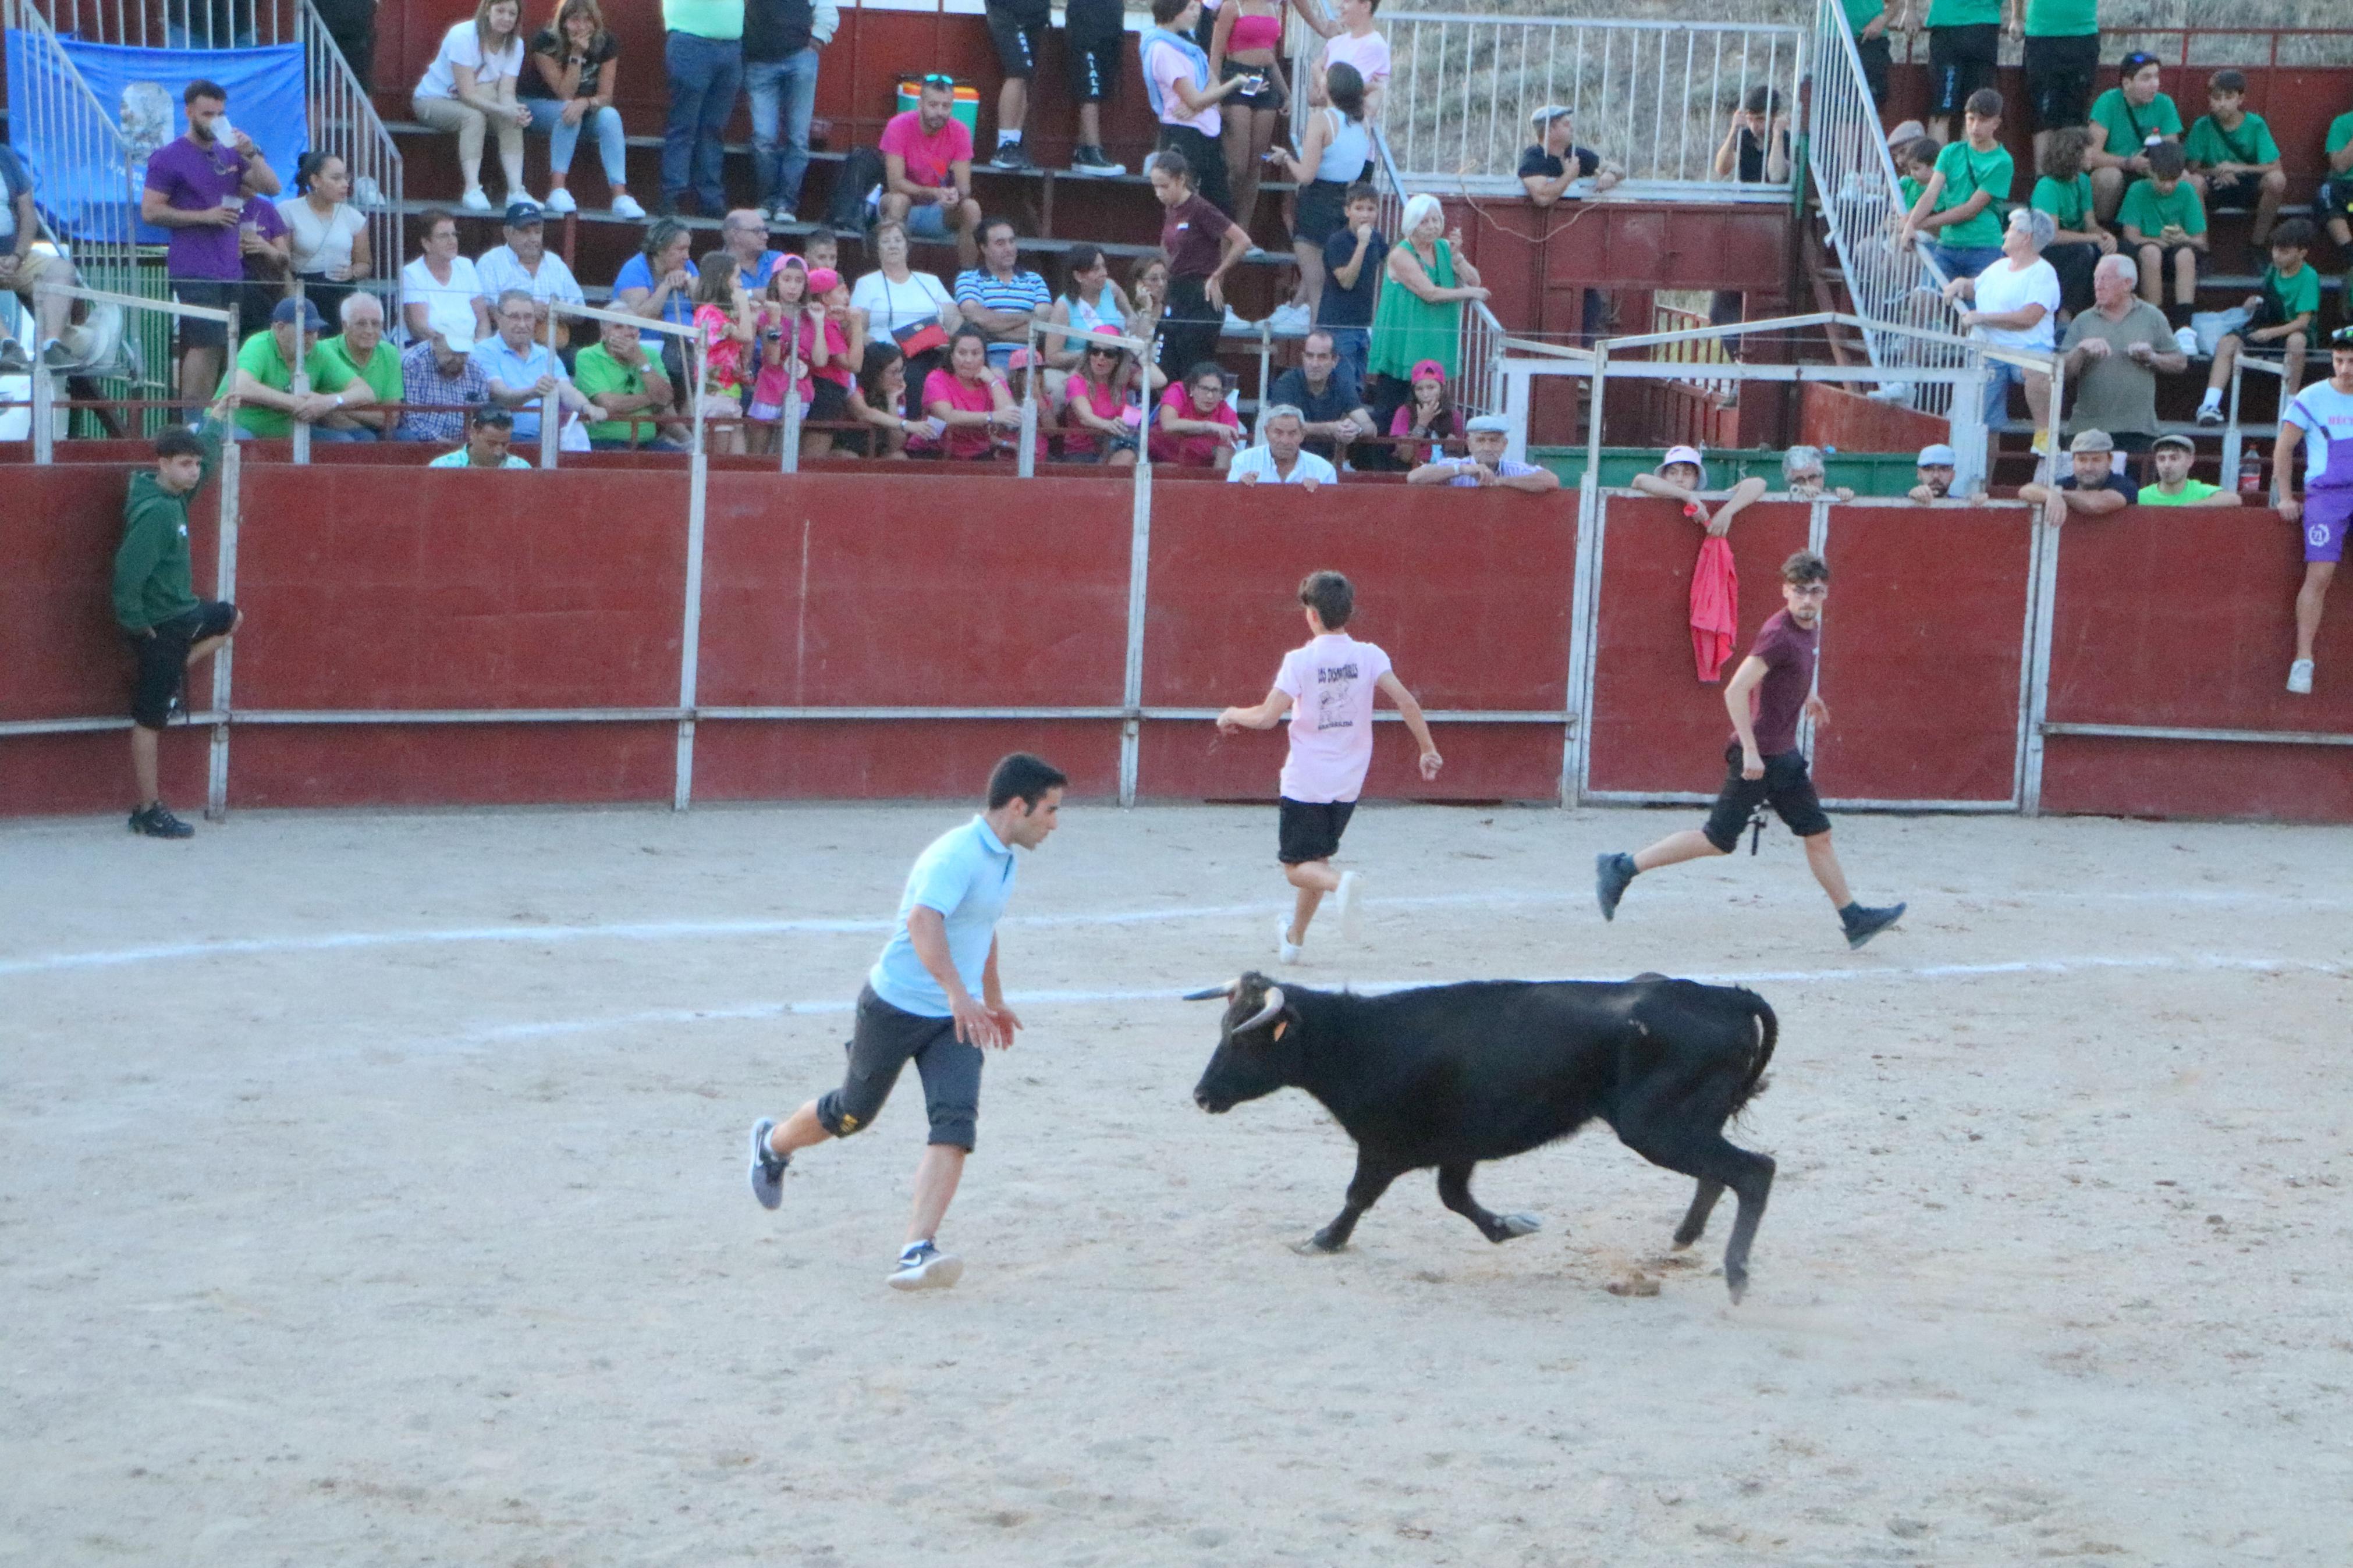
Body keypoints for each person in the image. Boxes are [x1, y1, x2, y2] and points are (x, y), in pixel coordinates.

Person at [747, 752, 1068, 1292]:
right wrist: (957, 993)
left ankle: (916, 1247)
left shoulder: (1005, 858)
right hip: (895, 1006)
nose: (1055, 823)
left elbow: (982, 927)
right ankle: (772, 1143)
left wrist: (989, 998)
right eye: (1051, 810)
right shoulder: (956, 854)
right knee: (852, 1114)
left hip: (953, 1018)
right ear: (1019, 805)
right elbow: (924, 923)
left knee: (955, 1123)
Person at [1597, 550, 1905, 949]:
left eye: (1814, 592)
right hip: (1759, 758)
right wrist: (1749, 750)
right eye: (1799, 591)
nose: (1807, 600)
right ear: (1785, 591)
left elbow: (1786, 673)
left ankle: (1854, 918)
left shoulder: (1807, 627)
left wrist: (1807, 693)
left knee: (1818, 834)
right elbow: (1736, 690)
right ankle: (1620, 867)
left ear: (1825, 593)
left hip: (1782, 755)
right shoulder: (1778, 634)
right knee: (1715, 840)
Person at [1215, 570, 1438, 963]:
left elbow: (1268, 716)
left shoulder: (1300, 660)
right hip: (1349, 781)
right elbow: (1406, 702)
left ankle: (1340, 884)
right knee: (1315, 860)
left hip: (1306, 780)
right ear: (1348, 612)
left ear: (1312, 615)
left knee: (1295, 867)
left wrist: (1232, 712)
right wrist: (1426, 748)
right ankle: (1294, 938)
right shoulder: (1370, 655)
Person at [115, 398, 242, 840]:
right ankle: (148, 809)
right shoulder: (155, 513)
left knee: (232, 618)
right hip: (160, 623)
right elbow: (127, 576)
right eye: (185, 464)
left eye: (195, 465)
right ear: (163, 464)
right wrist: (137, 625)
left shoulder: (171, 496)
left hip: (180, 613)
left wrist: (216, 421)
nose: (194, 472)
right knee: (149, 721)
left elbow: (204, 466)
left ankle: (171, 669)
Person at [143, 80, 281, 411]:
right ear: (189, 112)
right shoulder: (169, 157)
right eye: (208, 114)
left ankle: (213, 418)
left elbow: (272, 187)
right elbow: (150, 211)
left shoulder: (228, 152)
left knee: (224, 345)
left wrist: (250, 153)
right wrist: (205, 215)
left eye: (220, 114)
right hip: (193, 264)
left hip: (229, 265)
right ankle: (193, 418)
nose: (215, 120)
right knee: (204, 343)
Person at [2272, 328, 2353, 696]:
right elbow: (2284, 448)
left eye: (2352, 361)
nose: (2346, 368)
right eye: (2339, 360)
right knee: (2318, 575)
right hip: (2326, 495)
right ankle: (2303, 660)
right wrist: (2286, 496)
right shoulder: (2312, 396)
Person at [1943, 207, 2061, 456]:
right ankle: (1980, 485)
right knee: (1983, 428)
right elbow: (1975, 287)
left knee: (2039, 369)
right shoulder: (1999, 267)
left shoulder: (2043, 272)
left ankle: (2044, 436)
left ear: (2026, 237)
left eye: (2011, 230)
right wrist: (1960, 284)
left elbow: (2029, 317)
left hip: (2027, 350)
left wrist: (1983, 318)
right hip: (1988, 351)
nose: (2005, 234)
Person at [1269, 63, 1374, 325]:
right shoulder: (1363, 122)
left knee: (1318, 295)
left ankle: (1317, 352)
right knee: (1333, 288)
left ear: (1330, 88)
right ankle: (1296, 311)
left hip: (1316, 203)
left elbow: (1306, 175)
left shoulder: (1321, 121)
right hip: (1346, 204)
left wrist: (1286, 159)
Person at [524, 0, 644, 219]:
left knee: (610, 116)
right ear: (563, 22)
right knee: (568, 111)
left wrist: (586, 103)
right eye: (574, 19)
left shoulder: (606, 42)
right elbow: (565, 94)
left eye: (587, 19)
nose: (581, 26)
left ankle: (620, 196)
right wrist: (576, 54)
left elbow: (606, 97)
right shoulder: (545, 41)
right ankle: (557, 190)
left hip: (582, 108)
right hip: (537, 106)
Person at [413, 0, 534, 214]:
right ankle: (472, 189)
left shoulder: (516, 45)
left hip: (481, 97)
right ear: (487, 10)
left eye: (512, 14)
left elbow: (506, 92)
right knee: (473, 117)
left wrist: (514, 110)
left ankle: (516, 191)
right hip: (434, 100)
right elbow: (467, 94)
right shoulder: (463, 35)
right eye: (500, 11)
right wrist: (504, 110)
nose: (506, 18)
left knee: (512, 116)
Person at [1369, 193, 1485, 408]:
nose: (1432, 226)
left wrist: (1457, 257)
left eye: (1436, 220)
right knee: (1393, 407)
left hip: (1435, 338)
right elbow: (1429, 293)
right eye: (1424, 221)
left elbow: (1474, 280)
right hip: (1404, 342)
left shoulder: (1443, 247)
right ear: (1412, 224)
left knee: (1434, 407)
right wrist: (1468, 294)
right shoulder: (1401, 254)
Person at [2199, 218, 2320, 423]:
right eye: (2275, 249)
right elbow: (2271, 300)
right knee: (2228, 343)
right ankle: (2210, 404)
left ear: (2302, 252)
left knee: (2297, 342)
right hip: (2269, 325)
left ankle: (2290, 406)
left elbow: (2303, 322)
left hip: (2291, 331)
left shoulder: (2309, 277)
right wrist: (2254, 302)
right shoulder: (2273, 270)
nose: (2276, 255)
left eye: (2284, 251)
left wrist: (2269, 333)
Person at [2060, 253, 2184, 453]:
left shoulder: (2153, 317)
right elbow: (2062, 374)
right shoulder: (2083, 320)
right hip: (2086, 430)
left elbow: (2180, 362)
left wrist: (2152, 357)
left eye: (2105, 279)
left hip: (2138, 430)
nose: (2097, 285)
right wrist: (2081, 350)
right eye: (2096, 279)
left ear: (2127, 284)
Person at [1142, 0, 1252, 217]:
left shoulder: (1188, 44)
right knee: (1181, 211)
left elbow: (1210, 80)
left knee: (1220, 209)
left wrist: (1200, 103)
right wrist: (1235, 83)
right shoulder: (1162, 49)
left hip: (1205, 131)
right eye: (1190, 8)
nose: (1196, 13)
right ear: (1173, 10)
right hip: (1183, 134)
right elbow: (1194, 99)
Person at [1147, 151, 1248, 385]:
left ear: (1181, 180)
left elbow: (1242, 241)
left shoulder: (1200, 209)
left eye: (1164, 186)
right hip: (1176, 292)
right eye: (1155, 187)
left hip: (1199, 294)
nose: (1159, 193)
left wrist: (1217, 275)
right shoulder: (1171, 209)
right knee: (1164, 369)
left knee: (1193, 370)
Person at [1896, 87, 2013, 281]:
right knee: (1923, 299)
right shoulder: (1950, 152)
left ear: (1996, 123)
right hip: (1948, 243)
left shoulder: (2002, 161)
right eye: (1970, 119)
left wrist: (1917, 223)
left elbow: (1970, 210)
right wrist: (1911, 226)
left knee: (1976, 309)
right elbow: (1931, 194)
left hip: (1983, 245)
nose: (1975, 127)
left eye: (1983, 121)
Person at [222, 294, 376, 441]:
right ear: (280, 328)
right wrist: (294, 403)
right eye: (305, 331)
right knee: (242, 440)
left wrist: (330, 401)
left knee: (349, 441)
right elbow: (240, 386)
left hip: (288, 433)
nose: (312, 338)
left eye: (315, 332)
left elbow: (366, 393)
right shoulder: (259, 344)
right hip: (234, 424)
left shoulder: (319, 351)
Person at [742, 0, 839, 224]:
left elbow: (827, 9)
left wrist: (817, 40)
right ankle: (768, 203)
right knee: (764, 138)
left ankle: (786, 204)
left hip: (797, 59)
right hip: (759, 63)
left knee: (798, 138)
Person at [877, 77, 986, 272]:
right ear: (920, 104)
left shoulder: (960, 131)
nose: (940, 112)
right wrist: (934, 193)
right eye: (933, 105)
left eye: (946, 106)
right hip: (901, 208)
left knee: (971, 207)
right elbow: (895, 184)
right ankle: (892, 275)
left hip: (940, 211)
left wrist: (955, 196)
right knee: (898, 201)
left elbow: (964, 188)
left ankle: (967, 282)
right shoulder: (898, 126)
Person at [475, 287, 595, 443]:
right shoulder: (484, 350)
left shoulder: (546, 354)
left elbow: (567, 391)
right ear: (498, 318)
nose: (523, 324)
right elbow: (499, 395)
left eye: (528, 317)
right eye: (514, 317)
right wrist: (534, 392)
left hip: (547, 440)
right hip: (502, 440)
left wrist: (587, 407)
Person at [1209, 0, 1289, 234]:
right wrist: (1213, 95)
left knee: (1256, 164)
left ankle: (1243, 229)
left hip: (1265, 82)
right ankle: (1225, 224)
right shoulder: (1232, 6)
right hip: (1236, 80)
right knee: (1238, 166)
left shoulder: (1272, 7)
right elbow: (1216, 54)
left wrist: (1286, 94)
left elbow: (1270, 57)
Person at [661, 0, 744, 218]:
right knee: (684, 124)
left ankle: (710, 200)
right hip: (690, 40)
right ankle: (673, 195)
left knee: (714, 129)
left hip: (731, 44)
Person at [2181, 70, 2283, 247]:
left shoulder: (2256, 124)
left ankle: (2257, 245)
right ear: (2210, 100)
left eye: (2229, 97)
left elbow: (2275, 167)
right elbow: (2191, 169)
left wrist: (2238, 168)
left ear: (2240, 99)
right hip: (2215, 183)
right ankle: (2202, 248)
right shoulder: (2202, 126)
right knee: (2193, 182)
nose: (2222, 104)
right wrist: (2218, 172)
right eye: (2216, 98)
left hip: (2247, 184)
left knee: (2277, 181)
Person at [0, 141, 74, 368]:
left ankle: (51, 345)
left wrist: (18, 255)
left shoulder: (5, 156)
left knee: (63, 270)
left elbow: (28, 212)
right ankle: (7, 346)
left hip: (12, 256)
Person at [474, 201, 587, 349]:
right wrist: (528, 310)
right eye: (525, 232)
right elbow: (485, 308)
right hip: (506, 343)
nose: (533, 238)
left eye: (537, 232)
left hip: (553, 345)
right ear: (507, 233)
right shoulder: (490, 262)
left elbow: (580, 311)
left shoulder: (555, 263)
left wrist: (556, 311)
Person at [275, 152, 371, 327]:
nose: (345, 184)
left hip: (342, 290)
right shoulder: (288, 211)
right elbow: (283, 263)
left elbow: (365, 264)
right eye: (336, 178)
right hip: (304, 289)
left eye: (346, 178)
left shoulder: (354, 217)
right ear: (316, 181)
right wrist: (291, 294)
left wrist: (352, 272)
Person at [2086, 52, 2181, 226]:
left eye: (2156, 77)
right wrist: (2129, 163)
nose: (2155, 84)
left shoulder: (2165, 103)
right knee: (2108, 178)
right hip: (2117, 168)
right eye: (2146, 78)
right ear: (2127, 83)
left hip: (2151, 170)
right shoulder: (2108, 102)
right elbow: (2092, 156)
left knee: (2186, 179)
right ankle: (2104, 232)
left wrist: (2154, 165)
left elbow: (2171, 152)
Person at [2116, 141, 2203, 324]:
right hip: (2145, 252)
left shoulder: (2187, 191)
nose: (2169, 186)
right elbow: (2131, 236)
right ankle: (2155, 320)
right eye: (2163, 179)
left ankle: (2184, 325)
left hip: (2178, 251)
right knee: (2151, 252)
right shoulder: (2138, 190)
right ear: (2151, 172)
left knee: (2186, 255)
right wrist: (2158, 242)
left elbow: (2201, 241)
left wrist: (2184, 238)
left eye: (2174, 179)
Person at [2031, 127, 2110, 318]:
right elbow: (2051, 236)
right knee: (2084, 252)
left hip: (2077, 243)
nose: (2092, 153)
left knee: (2118, 252)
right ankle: (2064, 317)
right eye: (2087, 149)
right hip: (2045, 250)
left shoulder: (2082, 181)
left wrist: (2105, 236)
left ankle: (2104, 315)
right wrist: (2092, 238)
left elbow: (2090, 223)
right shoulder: (2047, 186)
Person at [954, 218, 1052, 372]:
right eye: (1000, 243)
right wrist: (1028, 317)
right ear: (983, 248)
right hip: (986, 360)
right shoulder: (969, 278)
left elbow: (1042, 326)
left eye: (1012, 242)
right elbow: (979, 319)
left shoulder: (1035, 280)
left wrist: (990, 332)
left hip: (1029, 359)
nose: (1009, 249)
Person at [913, 325, 1021, 460]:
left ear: (984, 356)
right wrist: (992, 416)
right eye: (962, 353)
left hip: (978, 454)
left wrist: (993, 382)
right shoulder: (937, 378)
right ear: (952, 355)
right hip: (933, 453)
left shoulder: (992, 380)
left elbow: (1011, 419)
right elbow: (948, 417)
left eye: (976, 353)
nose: (969, 360)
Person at [1268, 329, 1372, 464]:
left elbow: (1370, 427)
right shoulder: (1287, 382)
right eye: (1310, 356)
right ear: (1303, 357)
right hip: (1286, 462)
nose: (1314, 364)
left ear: (1335, 361)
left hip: (1325, 464)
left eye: (1322, 357)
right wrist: (1330, 428)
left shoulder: (1342, 384)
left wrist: (1355, 430)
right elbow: (1283, 427)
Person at [574, 316, 679, 450]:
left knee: (682, 460)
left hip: (648, 441)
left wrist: (641, 360)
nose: (627, 332)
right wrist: (652, 398)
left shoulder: (649, 355)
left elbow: (666, 399)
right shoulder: (588, 356)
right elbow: (609, 404)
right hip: (604, 441)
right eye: (618, 327)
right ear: (604, 334)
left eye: (632, 327)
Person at [1316, 182, 1384, 388]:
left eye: (1371, 209)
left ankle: (1350, 421)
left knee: (1357, 385)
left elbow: (1394, 261)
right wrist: (1362, 245)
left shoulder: (1377, 239)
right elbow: (1346, 281)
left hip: (1362, 325)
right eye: (1359, 208)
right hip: (1337, 326)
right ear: (1347, 211)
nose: (1365, 215)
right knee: (1343, 386)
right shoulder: (1337, 241)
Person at [2018, 0, 2100, 166]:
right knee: (2043, 113)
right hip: (2042, 33)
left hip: (2083, 33)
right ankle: (2043, 182)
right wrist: (2016, 18)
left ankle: (2074, 177)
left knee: (2077, 113)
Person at [690, 254, 758, 454]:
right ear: (722, 278)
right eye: (736, 277)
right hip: (715, 396)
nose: (740, 284)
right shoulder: (709, 312)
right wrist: (743, 304)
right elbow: (744, 336)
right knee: (716, 461)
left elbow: (745, 351)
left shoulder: (725, 314)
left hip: (731, 394)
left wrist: (751, 320)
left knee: (737, 462)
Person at [311, 293, 403, 441]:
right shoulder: (323, 350)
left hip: (377, 428)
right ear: (345, 326)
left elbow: (391, 419)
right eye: (361, 323)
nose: (369, 331)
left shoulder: (390, 353)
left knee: (406, 438)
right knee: (363, 438)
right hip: (335, 430)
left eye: (375, 323)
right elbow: (322, 416)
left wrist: (341, 409)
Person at [400, 208, 492, 351]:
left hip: (471, 350)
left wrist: (482, 346)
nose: (452, 241)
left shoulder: (466, 266)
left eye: (454, 235)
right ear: (426, 243)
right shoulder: (412, 273)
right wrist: (454, 348)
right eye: (444, 236)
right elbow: (420, 328)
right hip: (431, 350)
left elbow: (483, 321)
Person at [1041, 245, 1136, 376]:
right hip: (1080, 371)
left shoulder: (1110, 287)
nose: (1104, 273)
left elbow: (1124, 304)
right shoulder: (1063, 306)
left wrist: (1130, 316)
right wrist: (1090, 354)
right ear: (1078, 276)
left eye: (1104, 266)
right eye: (1096, 269)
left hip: (1113, 369)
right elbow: (1052, 357)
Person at [1914, 0, 2000, 145]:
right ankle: (1940, 166)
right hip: (1963, 23)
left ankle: (1949, 166)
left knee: (1970, 110)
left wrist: (1911, 11)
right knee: (1950, 110)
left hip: (1969, 24)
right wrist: (1910, 11)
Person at [1406, 414, 1561, 491]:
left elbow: (1551, 481)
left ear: (1504, 445)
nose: (1487, 447)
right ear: (1469, 445)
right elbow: (1414, 477)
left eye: (1494, 441)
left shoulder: (1514, 469)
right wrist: (1462, 470)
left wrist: (1502, 481)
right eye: (1481, 440)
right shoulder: (1455, 466)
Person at [2018, 428, 2139, 525]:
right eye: (2082, 460)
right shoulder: (2067, 483)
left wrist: (2058, 494)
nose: (2088, 467)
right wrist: (2049, 495)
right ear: (2073, 460)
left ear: (2110, 460)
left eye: (2096, 460)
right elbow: (2025, 491)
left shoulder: (2125, 485)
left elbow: (2095, 504)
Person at [1063, 0, 1130, 176]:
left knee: (1100, 88)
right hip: (1086, 25)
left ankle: (1084, 150)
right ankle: (1093, 149)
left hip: (1111, 25)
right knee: (1090, 88)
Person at [1631, 445, 1765, 532]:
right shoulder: (1655, 493)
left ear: (1697, 479)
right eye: (1673, 473)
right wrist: (1688, 496)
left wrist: (1726, 512)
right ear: (1664, 476)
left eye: (1687, 473)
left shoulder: (1710, 502)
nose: (1679, 479)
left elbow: (1759, 483)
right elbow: (1640, 480)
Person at [981, 0, 1049, 169]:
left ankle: (1013, 142)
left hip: (1036, 11)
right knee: (1018, 69)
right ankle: (1005, 145)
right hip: (1008, 9)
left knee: (1026, 73)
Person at [1298, 0, 1390, 126]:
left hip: (1350, 129)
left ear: (1365, 6)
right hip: (1326, 131)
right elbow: (1314, 97)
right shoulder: (1335, 43)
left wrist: (1317, 72)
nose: (1340, 6)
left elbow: (1347, 92)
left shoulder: (1374, 46)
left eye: (1347, 1)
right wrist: (1325, 83)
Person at [396, 321, 491, 442]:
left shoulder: (476, 371)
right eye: (452, 353)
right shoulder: (413, 364)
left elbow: (482, 418)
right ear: (435, 341)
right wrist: (445, 444)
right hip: (424, 445)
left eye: (463, 354)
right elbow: (411, 420)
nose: (458, 359)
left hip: (466, 446)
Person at [1519, 104, 1621, 208]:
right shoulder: (1534, 157)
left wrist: (1610, 173)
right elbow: (1542, 198)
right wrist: (1570, 175)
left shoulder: (1573, 153)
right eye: (1566, 124)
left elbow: (1616, 168)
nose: (1571, 128)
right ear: (1549, 130)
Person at [1057, 340, 1141, 464]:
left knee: (1129, 457)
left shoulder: (1121, 382)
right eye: (1095, 352)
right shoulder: (1077, 381)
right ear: (1089, 355)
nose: (1100, 357)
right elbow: (1085, 418)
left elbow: (1160, 380)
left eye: (1109, 354)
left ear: (1117, 359)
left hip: (1114, 447)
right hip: (1082, 453)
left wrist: (1139, 353)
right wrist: (1109, 425)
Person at [1152, 360, 1241, 468]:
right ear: (1192, 389)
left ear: (1222, 394)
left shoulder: (1227, 415)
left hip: (1199, 474)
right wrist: (1209, 426)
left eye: (1216, 390)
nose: (1210, 396)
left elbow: (1221, 470)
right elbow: (1168, 425)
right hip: (1156, 464)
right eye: (1204, 389)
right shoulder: (1178, 391)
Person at [844, 340, 920, 458]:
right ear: (876, 373)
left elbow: (896, 445)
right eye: (894, 372)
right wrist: (905, 424)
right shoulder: (856, 387)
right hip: (846, 447)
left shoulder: (897, 394)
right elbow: (864, 414)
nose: (900, 378)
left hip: (877, 451)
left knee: (898, 457)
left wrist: (892, 400)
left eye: (901, 371)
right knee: (850, 458)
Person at [1229, 405, 1336, 487]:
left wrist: (1318, 493)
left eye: (1292, 433)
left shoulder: (1323, 469)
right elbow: (1229, 504)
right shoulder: (1243, 461)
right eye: (1278, 433)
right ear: (1267, 432)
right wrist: (1240, 487)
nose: (1285, 441)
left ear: (1303, 434)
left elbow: (1332, 511)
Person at [1713, 86, 1791, 183]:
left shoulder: (1786, 139)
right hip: (1746, 196)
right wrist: (1733, 131)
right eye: (1750, 119)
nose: (1754, 126)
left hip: (1774, 197)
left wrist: (1778, 136)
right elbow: (1722, 170)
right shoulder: (1744, 137)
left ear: (1774, 116)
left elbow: (1777, 177)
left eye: (1760, 119)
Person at [2139, 433, 2240, 507]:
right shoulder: (2142, 496)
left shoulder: (2199, 491)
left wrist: (2190, 507)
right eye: (2161, 459)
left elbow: (2234, 499)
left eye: (2174, 458)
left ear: (2190, 461)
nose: (2167, 465)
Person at [1386, 357, 1453, 467]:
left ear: (1442, 389)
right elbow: (1405, 457)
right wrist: (1421, 425)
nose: (1425, 394)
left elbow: (1458, 458)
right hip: (1412, 471)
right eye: (1419, 389)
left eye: (1431, 387)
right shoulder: (1404, 412)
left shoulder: (1454, 415)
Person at [428, 404, 534, 467]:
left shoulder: (521, 467)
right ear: (473, 433)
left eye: (504, 444)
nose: (499, 451)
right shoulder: (444, 466)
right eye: (492, 443)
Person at [718, 207, 788, 294]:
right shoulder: (717, 268)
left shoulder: (779, 260)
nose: (766, 237)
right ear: (736, 235)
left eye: (766, 230)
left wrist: (747, 295)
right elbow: (719, 300)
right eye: (757, 231)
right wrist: (754, 294)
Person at [1839, 0, 1893, 108]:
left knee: (1871, 101)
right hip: (1833, 40)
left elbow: (1895, 4)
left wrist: (1882, 20)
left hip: (1871, 43)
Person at [1905, 440, 1988, 502]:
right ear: (1919, 474)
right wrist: (1911, 498)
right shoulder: (1903, 502)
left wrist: (1978, 505)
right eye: (1929, 469)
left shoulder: (1960, 506)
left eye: (1943, 469)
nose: (1936, 476)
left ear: (1953, 475)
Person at [1781, 445, 1856, 502]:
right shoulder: (1782, 501)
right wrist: (1799, 492)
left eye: (1812, 478)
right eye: (1800, 480)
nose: (1808, 485)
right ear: (1790, 483)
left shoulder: (1833, 495)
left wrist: (1845, 496)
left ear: (1822, 476)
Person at [2326, 106, 2353, 257]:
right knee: (2327, 195)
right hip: (2349, 202)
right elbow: (2340, 167)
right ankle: (2351, 256)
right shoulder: (2342, 123)